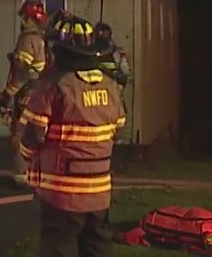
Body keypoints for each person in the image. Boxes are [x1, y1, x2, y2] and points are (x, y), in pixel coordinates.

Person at [19, 13, 126, 257]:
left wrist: (28, 158)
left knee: (60, 246)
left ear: (58, 49)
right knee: (96, 246)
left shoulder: (51, 86)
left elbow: (32, 137)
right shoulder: (109, 86)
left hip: (61, 193)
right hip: (99, 191)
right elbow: (117, 129)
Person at [0, 0, 49, 186]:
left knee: (19, 134)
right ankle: (38, 173)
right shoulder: (43, 38)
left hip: (27, 92)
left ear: (27, 18)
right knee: (38, 134)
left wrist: (7, 94)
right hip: (42, 91)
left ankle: (22, 175)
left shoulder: (27, 39)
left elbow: (22, 72)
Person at [94, 22, 132, 87]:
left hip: (113, 87)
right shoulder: (89, 53)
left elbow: (126, 73)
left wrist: (119, 77)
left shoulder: (118, 52)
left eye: (105, 37)